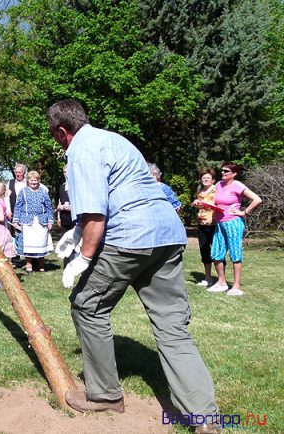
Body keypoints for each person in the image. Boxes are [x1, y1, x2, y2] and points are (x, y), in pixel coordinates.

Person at [47, 99, 220, 434]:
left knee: (88, 305)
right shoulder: (114, 140)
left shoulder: (80, 151)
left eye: (55, 136)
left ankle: (104, 395)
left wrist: (82, 259)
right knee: (172, 325)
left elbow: (97, 214)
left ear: (63, 132)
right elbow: (117, 196)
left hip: (130, 237)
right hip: (168, 235)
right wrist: (76, 232)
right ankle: (205, 417)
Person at [207, 162, 262, 296]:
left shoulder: (238, 185)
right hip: (220, 223)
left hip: (233, 223)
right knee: (216, 253)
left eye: (226, 171)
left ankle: (236, 286)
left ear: (234, 174)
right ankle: (221, 282)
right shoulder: (219, 184)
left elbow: (257, 199)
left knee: (235, 254)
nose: (223, 173)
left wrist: (244, 212)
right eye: (222, 171)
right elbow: (215, 201)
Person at [12, 171, 54, 273]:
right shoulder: (23, 192)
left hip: (41, 221)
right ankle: (28, 265)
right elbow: (17, 207)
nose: (33, 182)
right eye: (31, 180)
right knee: (28, 244)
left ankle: (41, 265)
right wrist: (15, 221)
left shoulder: (43, 191)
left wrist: (50, 221)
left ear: (39, 181)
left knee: (41, 243)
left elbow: (49, 207)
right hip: (27, 221)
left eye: (35, 180)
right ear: (28, 181)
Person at [191, 168, 219, 287]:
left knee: (217, 252)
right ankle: (208, 278)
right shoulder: (201, 192)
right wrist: (196, 203)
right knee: (204, 251)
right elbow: (202, 208)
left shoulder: (217, 190)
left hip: (214, 224)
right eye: (204, 178)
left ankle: (220, 279)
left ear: (213, 180)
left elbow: (220, 205)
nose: (206, 179)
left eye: (208, 178)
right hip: (202, 224)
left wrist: (208, 205)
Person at [57, 164, 75, 267]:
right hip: (64, 218)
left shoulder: (77, 185)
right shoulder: (62, 186)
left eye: (68, 171)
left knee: (76, 242)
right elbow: (59, 202)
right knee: (65, 241)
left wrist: (71, 207)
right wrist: (59, 213)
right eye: (64, 172)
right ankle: (66, 264)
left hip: (75, 218)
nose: (66, 174)